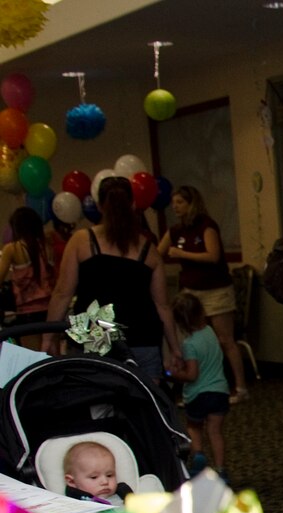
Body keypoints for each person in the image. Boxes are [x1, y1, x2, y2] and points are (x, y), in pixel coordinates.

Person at [43, 176, 182, 380]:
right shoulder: (148, 249)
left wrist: (48, 338)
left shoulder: (82, 241)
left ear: (99, 206)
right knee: (143, 405)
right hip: (142, 340)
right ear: (133, 204)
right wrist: (174, 348)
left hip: (93, 336)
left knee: (95, 405)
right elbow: (162, 306)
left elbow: (63, 293)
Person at [157, 185, 247, 403]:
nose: (175, 207)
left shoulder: (207, 226)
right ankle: (194, 386)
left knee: (224, 339)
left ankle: (240, 387)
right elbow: (157, 253)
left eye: (180, 202)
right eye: (174, 202)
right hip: (190, 292)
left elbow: (213, 256)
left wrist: (181, 254)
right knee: (190, 341)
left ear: (191, 204)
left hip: (215, 290)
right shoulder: (176, 230)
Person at [168, 291, 230, 479]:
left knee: (194, 427)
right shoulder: (211, 333)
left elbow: (192, 374)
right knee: (215, 432)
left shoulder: (190, 344)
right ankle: (220, 470)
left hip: (198, 395)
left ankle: (199, 456)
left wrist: (175, 374)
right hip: (220, 391)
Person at [0, 206, 58, 349]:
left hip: (27, 314)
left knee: (33, 362)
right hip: (51, 311)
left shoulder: (12, 249)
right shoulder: (47, 247)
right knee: (54, 361)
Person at [63, 440, 132, 506]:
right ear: (71, 481)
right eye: (94, 477)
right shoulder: (74, 505)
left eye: (109, 475)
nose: (105, 482)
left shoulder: (124, 494)